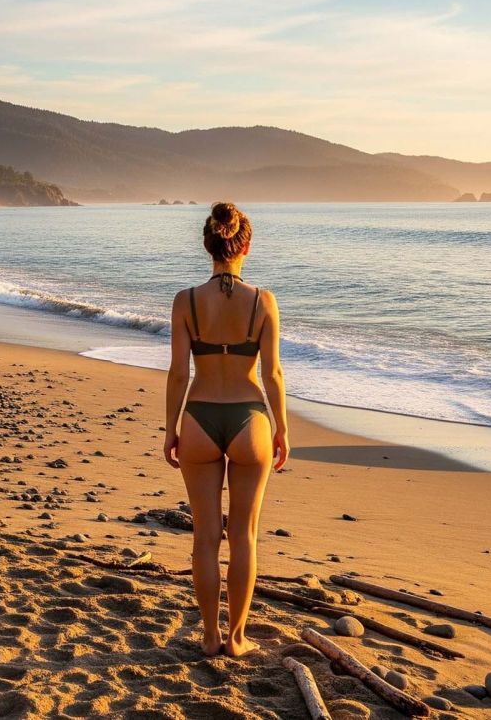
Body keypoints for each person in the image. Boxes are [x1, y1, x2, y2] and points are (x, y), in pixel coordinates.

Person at [164, 201, 289, 658]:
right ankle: (237, 638)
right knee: (243, 536)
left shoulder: (186, 302)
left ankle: (209, 636)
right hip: (249, 420)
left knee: (204, 537)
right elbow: (273, 374)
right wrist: (282, 429)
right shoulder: (263, 302)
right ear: (246, 245)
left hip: (197, 418)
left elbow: (179, 373)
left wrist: (169, 429)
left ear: (207, 244)